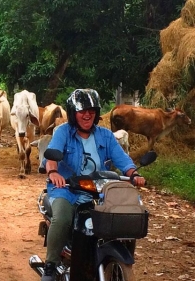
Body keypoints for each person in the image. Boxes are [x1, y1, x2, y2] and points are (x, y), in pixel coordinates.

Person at [40, 89, 146, 281]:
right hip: (66, 189)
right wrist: (54, 173)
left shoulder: (105, 135)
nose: (87, 114)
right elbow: (52, 155)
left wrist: (134, 174)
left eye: (91, 110)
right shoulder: (63, 132)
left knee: (123, 215)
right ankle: (50, 266)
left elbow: (122, 159)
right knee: (63, 218)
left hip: (98, 191)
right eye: (82, 111)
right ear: (73, 113)